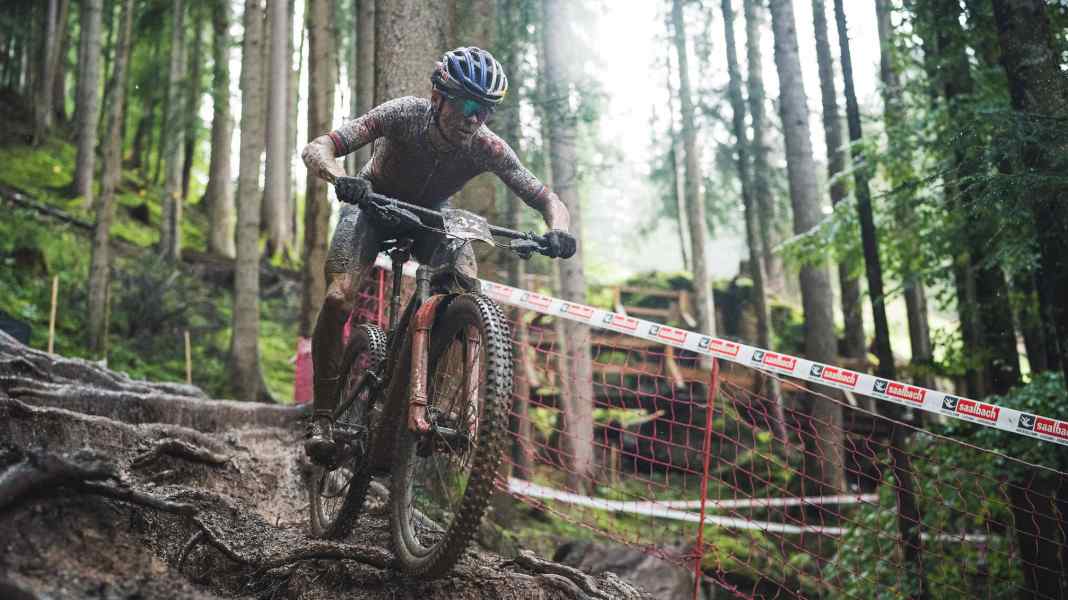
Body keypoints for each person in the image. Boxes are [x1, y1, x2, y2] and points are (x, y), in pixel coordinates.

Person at [300, 46, 577, 465]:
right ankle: (322, 415)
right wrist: (340, 179)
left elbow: (546, 198)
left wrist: (559, 231)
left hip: (430, 217)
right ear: (437, 96)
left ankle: (440, 401)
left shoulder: (488, 148)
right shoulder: (403, 114)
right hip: (372, 205)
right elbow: (319, 147)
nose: (474, 118)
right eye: (467, 104)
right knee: (340, 296)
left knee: (467, 287)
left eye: (484, 110)